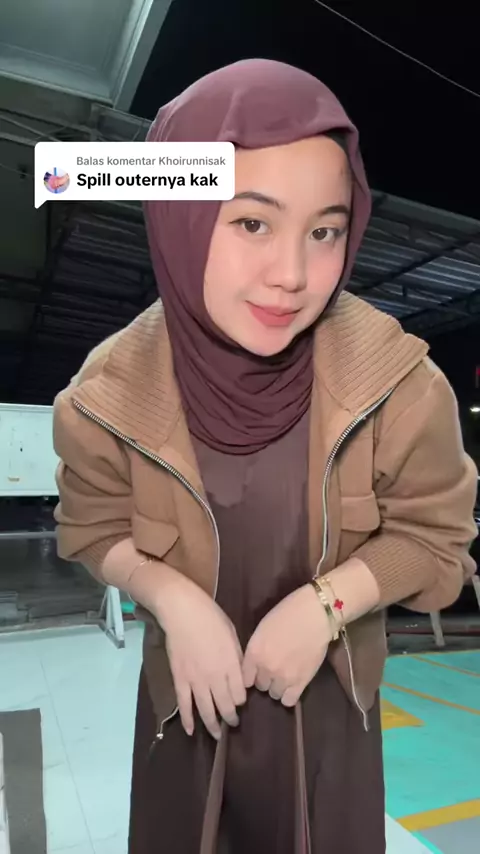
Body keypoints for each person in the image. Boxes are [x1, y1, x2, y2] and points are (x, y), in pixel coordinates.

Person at [52, 59, 478, 854]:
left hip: (332, 720)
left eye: (325, 232)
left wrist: (328, 605)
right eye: (252, 223)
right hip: (185, 705)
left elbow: (438, 541)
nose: (292, 276)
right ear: (181, 217)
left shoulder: (400, 385)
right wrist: (173, 599)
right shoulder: (103, 397)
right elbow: (91, 528)